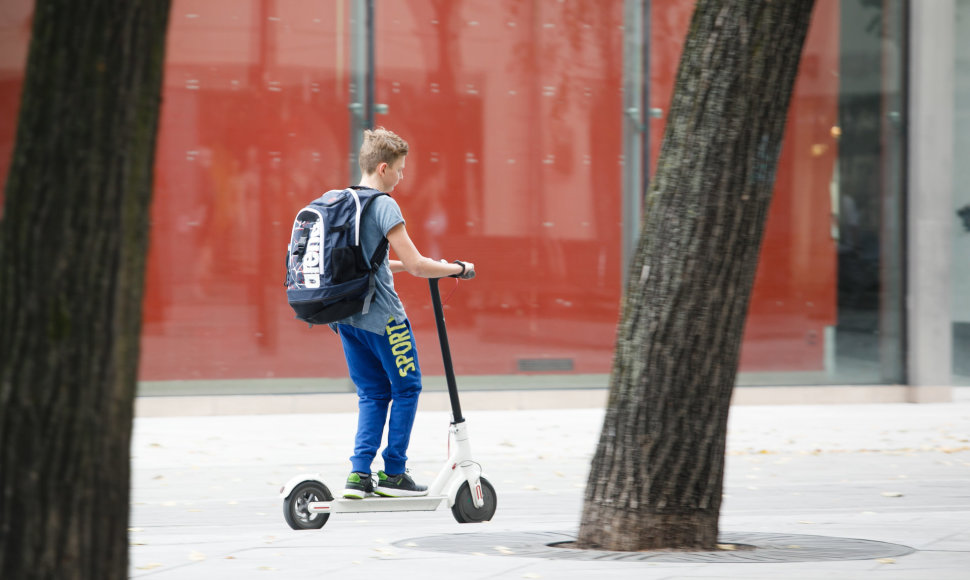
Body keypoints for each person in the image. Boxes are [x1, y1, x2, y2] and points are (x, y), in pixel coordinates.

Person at [334, 127, 474, 499]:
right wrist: (456, 269)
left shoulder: (344, 201)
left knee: (372, 393)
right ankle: (394, 472)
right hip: (383, 319)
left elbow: (372, 264)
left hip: (347, 319)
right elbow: (415, 265)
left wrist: (432, 265)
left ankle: (359, 474)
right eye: (400, 169)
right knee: (407, 387)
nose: (402, 176)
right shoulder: (383, 205)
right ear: (383, 168)